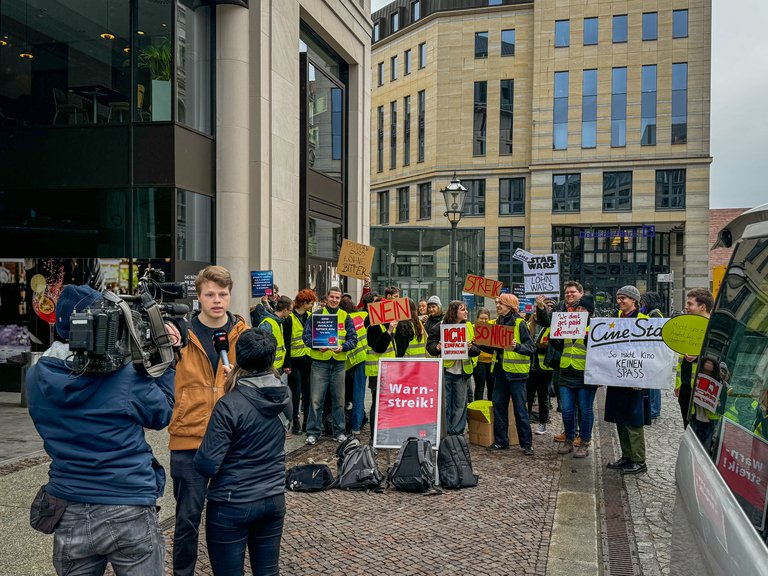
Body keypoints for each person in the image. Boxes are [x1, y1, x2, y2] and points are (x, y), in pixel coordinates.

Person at [27, 284, 181, 576]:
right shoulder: (124, 377)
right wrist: (166, 362)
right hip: (128, 504)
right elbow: (161, 414)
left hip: (68, 505)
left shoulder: (37, 378)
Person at [169, 265, 250, 576]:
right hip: (189, 439)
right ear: (199, 297)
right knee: (187, 519)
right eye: (210, 294)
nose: (217, 300)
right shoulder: (180, 335)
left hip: (231, 442)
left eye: (223, 294)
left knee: (228, 518)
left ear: (230, 296)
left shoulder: (242, 336)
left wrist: (238, 378)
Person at [194, 329, 291, 576]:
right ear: (271, 359)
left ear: (240, 357)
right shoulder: (285, 396)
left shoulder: (229, 405)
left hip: (232, 502)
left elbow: (207, 464)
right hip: (272, 498)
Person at [302, 286, 358, 445]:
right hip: (320, 363)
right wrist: (316, 345)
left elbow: (353, 340)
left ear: (340, 300)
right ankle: (313, 432)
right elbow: (305, 337)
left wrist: (343, 347)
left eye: (337, 298)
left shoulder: (345, 316)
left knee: (339, 401)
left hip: (339, 364)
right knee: (315, 400)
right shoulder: (316, 315)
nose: (334, 300)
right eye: (332, 297)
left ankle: (339, 431)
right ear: (326, 298)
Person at [605, 285, 650, 475]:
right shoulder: (616, 320)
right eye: (618, 298)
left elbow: (650, 352)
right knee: (619, 417)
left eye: (624, 298)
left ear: (634, 300)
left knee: (633, 419)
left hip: (635, 379)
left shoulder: (644, 321)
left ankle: (639, 460)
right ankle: (626, 456)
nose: (620, 301)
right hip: (617, 377)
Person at [368, 296, 427, 441]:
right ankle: (377, 435)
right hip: (382, 371)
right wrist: (389, 331)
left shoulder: (402, 325)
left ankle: (388, 433)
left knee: (392, 404)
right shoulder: (375, 326)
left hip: (398, 371)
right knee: (380, 404)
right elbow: (380, 346)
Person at [485, 294, 536, 455]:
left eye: (501, 303)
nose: (498, 305)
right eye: (498, 303)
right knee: (499, 407)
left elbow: (531, 348)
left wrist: (517, 346)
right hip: (500, 372)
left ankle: (527, 444)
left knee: (520, 410)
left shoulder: (520, 323)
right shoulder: (496, 323)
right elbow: (494, 348)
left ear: (510, 306)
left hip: (516, 375)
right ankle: (501, 442)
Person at [551, 295, 597, 458]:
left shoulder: (594, 328)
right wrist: (554, 334)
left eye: (583, 308)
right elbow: (557, 345)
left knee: (585, 411)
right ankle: (569, 440)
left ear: (590, 312)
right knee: (567, 410)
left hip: (585, 375)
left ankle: (585, 441)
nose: (579, 311)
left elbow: (599, 353)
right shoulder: (567, 324)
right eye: (577, 308)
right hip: (566, 372)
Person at [426, 300, 480, 435]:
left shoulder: (469, 327)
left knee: (460, 404)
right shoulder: (440, 327)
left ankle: (457, 433)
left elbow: (478, 349)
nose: (466, 312)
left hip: (462, 373)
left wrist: (470, 348)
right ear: (454, 312)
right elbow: (430, 346)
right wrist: (437, 347)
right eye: (463, 310)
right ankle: (444, 431)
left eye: (466, 309)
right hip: (446, 371)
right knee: (445, 404)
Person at [675, 288, 713, 429]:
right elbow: (682, 358)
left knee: (702, 431)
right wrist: (679, 384)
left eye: (690, 304)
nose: (686, 307)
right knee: (688, 427)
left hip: (703, 389)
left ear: (702, 307)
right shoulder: (689, 325)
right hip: (686, 388)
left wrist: (698, 356)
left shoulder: (713, 328)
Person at [286, 289, 317, 434]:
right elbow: (286, 342)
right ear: (304, 303)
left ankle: (306, 423)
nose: (312, 305)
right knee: (296, 393)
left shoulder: (311, 317)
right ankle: (295, 423)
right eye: (311, 303)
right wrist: (287, 364)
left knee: (308, 393)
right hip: (295, 361)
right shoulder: (290, 319)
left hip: (309, 360)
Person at [340, 297, 368, 435]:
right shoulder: (363, 316)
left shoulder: (343, 320)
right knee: (359, 394)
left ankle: (344, 423)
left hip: (347, 361)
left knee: (342, 394)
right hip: (363, 358)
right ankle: (356, 426)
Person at [527, 300, 554, 435]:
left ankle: (543, 423)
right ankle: (526, 421)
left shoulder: (549, 327)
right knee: (528, 396)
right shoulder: (528, 325)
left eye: (539, 311)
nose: (536, 314)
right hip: (530, 367)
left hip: (544, 368)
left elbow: (548, 347)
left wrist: (534, 346)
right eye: (535, 311)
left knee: (543, 397)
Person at [641, 291, 665, 420]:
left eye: (644, 301)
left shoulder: (655, 314)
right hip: (651, 351)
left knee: (654, 383)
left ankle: (654, 409)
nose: (642, 304)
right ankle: (652, 408)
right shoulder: (650, 313)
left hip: (654, 352)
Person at [257, 295, 293, 374]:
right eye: (290, 310)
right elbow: (261, 347)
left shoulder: (279, 322)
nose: (290, 313)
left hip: (276, 368)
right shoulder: (268, 323)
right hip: (269, 369)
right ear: (284, 310)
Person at [472, 308, 495, 401]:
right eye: (481, 318)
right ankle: (478, 411)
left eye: (486, 318)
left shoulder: (493, 329)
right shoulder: (473, 328)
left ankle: (491, 410)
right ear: (477, 318)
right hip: (479, 362)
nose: (484, 321)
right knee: (479, 388)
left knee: (492, 388)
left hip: (491, 362)